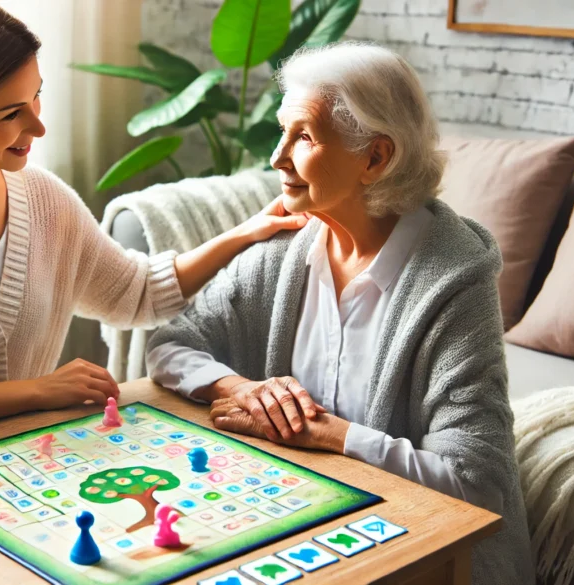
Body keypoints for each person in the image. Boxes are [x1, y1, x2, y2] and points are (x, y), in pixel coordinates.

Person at [0, 0, 307, 453]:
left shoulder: (41, 197)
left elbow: (135, 293)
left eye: (36, 98)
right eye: (10, 113)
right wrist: (39, 390)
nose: (38, 126)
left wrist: (246, 232)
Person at [146, 42, 534, 585]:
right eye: (283, 133)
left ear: (375, 157)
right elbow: (169, 343)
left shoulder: (454, 283)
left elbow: (474, 482)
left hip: (429, 557)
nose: (277, 158)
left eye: (302, 136)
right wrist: (240, 388)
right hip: (305, 527)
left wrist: (328, 433)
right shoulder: (285, 246)